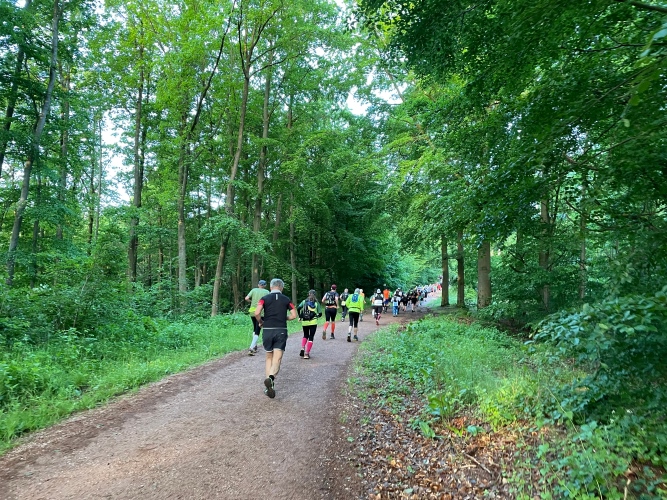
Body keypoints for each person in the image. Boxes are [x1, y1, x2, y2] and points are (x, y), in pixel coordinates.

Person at [254, 278, 298, 398]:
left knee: (269, 357)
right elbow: (294, 315)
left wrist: (261, 322)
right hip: (281, 330)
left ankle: (268, 386)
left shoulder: (264, 299)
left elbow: (257, 313)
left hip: (268, 330)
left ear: (271, 287)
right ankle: (271, 378)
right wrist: (284, 318)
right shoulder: (286, 299)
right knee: (277, 359)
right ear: (281, 287)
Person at [244, 279, 268, 355]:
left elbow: (246, 298)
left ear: (258, 285)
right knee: (258, 329)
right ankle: (251, 348)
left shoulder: (254, 290)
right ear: (265, 285)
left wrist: (251, 302)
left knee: (255, 327)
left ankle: (254, 346)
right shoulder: (267, 292)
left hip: (252, 311)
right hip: (261, 312)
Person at [297, 290, 322, 359]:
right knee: (311, 337)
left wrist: (300, 316)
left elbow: (298, 308)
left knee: (305, 335)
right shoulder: (316, 303)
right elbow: (320, 314)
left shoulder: (304, 301)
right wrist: (316, 316)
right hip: (313, 322)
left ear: (308, 294)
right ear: (315, 295)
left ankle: (302, 347)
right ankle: (306, 354)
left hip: (304, 322)